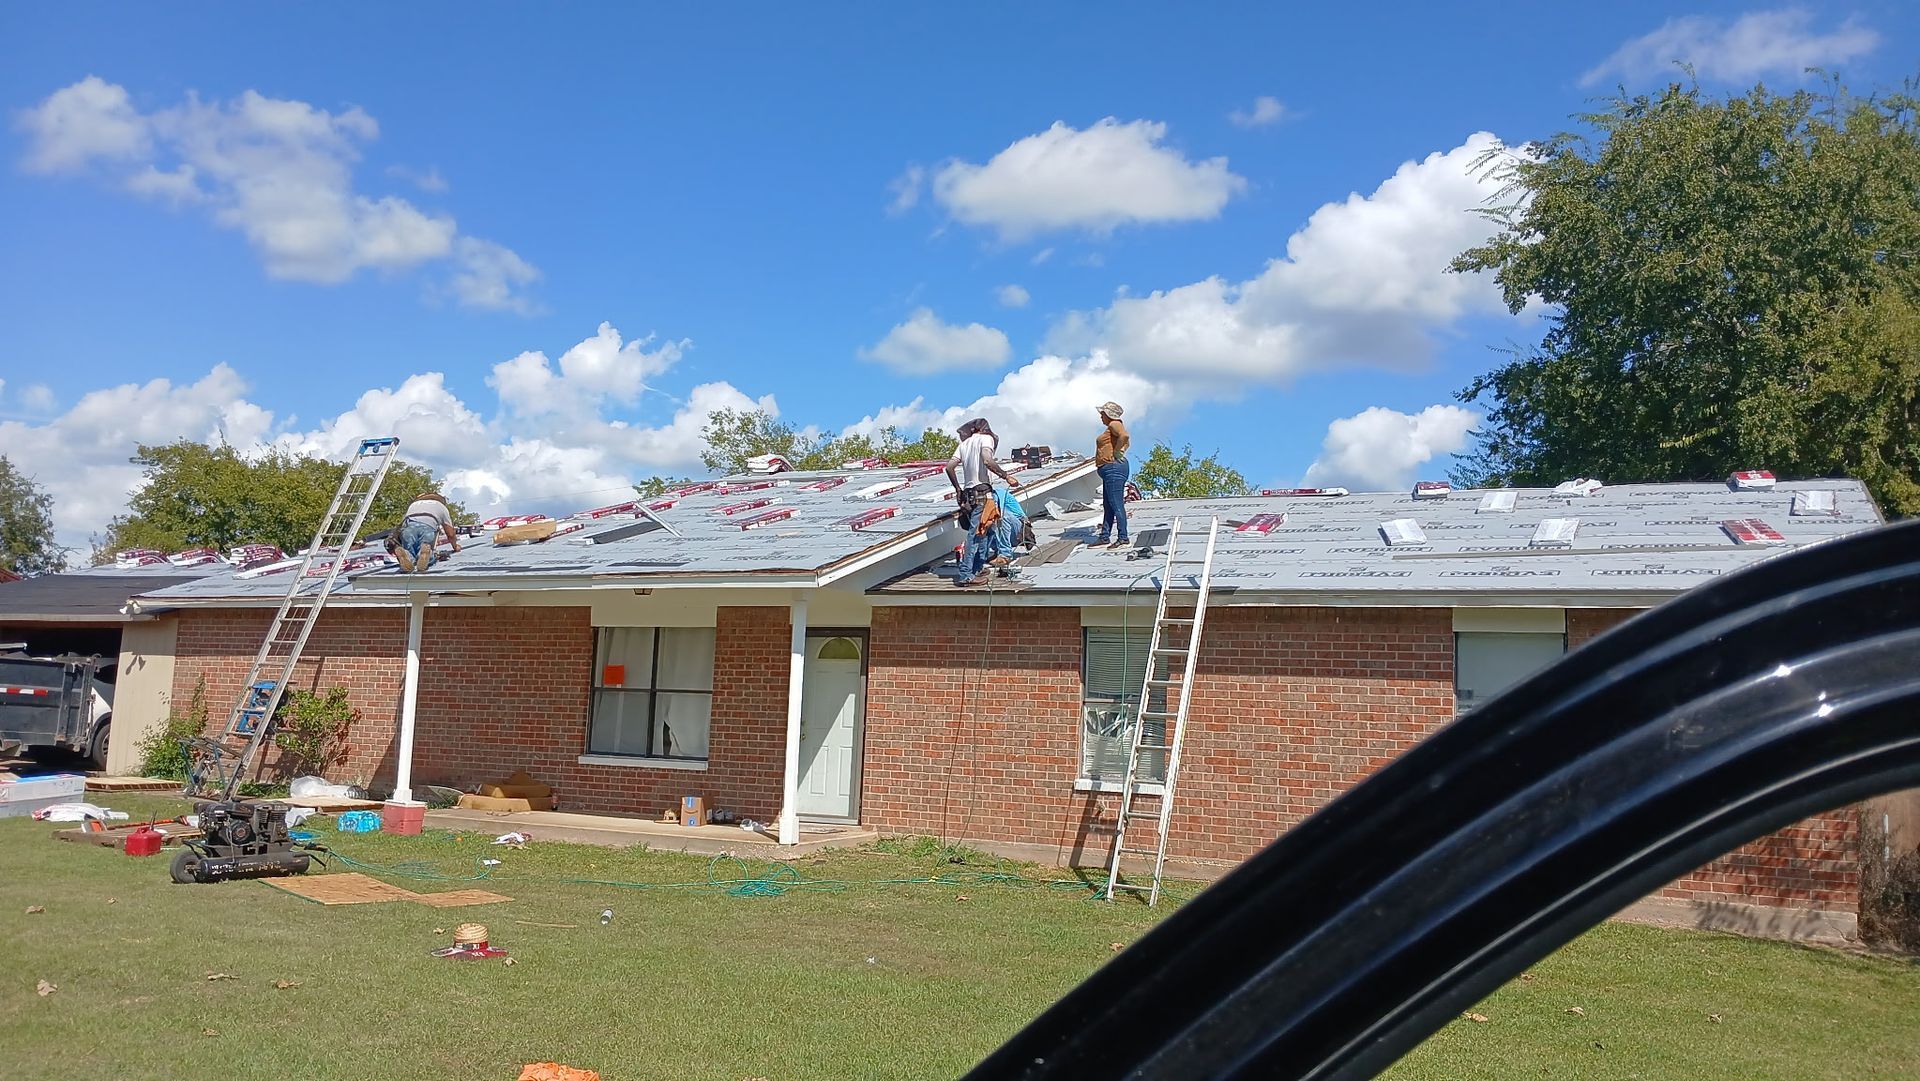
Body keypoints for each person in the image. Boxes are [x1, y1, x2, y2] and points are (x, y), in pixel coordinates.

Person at [946, 418, 1022, 587]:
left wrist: (958, 490)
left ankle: (978, 568)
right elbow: (987, 460)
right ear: (984, 429)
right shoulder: (985, 439)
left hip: (968, 495)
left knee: (986, 532)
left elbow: (949, 467)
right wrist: (1006, 476)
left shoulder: (964, 445)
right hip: (982, 494)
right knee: (976, 535)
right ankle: (966, 575)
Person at [1093, 401, 1131, 548]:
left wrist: (1117, 452)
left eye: (1102, 414)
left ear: (1108, 414)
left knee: (1116, 504)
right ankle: (1104, 536)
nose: (1101, 416)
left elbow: (1125, 436)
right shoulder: (1110, 428)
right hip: (1109, 469)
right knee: (1108, 504)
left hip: (1114, 468)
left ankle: (1123, 537)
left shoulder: (1114, 424)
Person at [393, 492, 461, 572]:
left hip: (408, 529)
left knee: (410, 550)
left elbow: (402, 525)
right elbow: (450, 534)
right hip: (427, 529)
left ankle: (407, 556)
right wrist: (455, 546)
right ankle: (426, 555)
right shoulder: (441, 507)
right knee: (427, 551)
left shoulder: (413, 505)